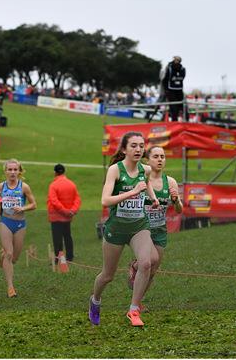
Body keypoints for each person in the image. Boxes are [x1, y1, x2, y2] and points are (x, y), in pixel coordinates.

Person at [89, 131, 159, 327]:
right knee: (107, 276)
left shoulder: (145, 169)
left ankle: (134, 310)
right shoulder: (115, 170)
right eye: (133, 145)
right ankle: (95, 300)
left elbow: (146, 184)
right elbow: (105, 200)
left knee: (146, 264)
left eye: (141, 145)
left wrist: (152, 198)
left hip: (139, 226)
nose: (138, 149)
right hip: (116, 229)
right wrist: (133, 193)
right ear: (124, 149)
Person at [127, 146, 183, 306]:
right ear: (147, 160)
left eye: (163, 157)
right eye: (156, 156)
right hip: (142, 228)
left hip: (159, 230)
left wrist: (176, 200)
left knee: (153, 270)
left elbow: (179, 210)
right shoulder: (141, 180)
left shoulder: (170, 181)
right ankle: (135, 268)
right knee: (148, 262)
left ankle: (138, 301)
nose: (160, 159)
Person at [0, 159, 37, 298]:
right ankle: (10, 287)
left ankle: (3, 257)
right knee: (9, 253)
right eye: (10, 169)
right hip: (5, 222)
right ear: (5, 171)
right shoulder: (0, 187)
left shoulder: (24, 187)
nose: (12, 172)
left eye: (15, 170)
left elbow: (34, 204)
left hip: (20, 224)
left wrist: (23, 207)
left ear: (19, 171)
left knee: (14, 258)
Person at [47, 164, 81, 262]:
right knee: (67, 236)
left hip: (56, 216)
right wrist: (72, 210)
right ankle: (70, 257)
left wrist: (64, 211)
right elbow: (77, 199)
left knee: (57, 238)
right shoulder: (71, 184)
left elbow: (54, 201)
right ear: (64, 172)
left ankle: (59, 259)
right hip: (68, 216)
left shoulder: (53, 185)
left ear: (55, 173)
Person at [162, 56, 186, 122]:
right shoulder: (169, 68)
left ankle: (186, 121)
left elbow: (182, 78)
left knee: (183, 107)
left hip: (179, 90)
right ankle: (174, 122)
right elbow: (164, 80)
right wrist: (166, 90)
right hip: (170, 90)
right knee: (173, 109)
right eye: (175, 60)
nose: (176, 61)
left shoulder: (183, 69)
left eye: (177, 60)